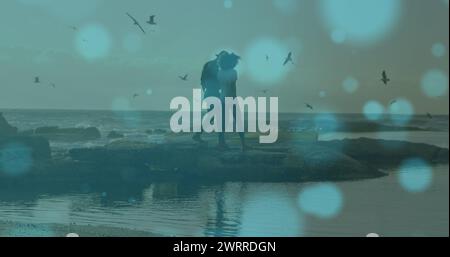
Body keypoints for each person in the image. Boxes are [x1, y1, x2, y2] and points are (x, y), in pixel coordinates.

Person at [193, 51, 229, 143]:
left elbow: (202, 79)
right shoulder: (219, 67)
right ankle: (221, 141)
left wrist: (205, 89)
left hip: (210, 92)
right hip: (213, 92)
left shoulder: (209, 64)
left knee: (212, 116)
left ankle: (197, 135)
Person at [217, 52, 248, 151]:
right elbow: (232, 87)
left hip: (222, 99)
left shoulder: (220, 72)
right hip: (231, 98)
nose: (236, 63)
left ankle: (221, 143)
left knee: (222, 122)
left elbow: (221, 86)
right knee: (238, 121)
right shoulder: (233, 72)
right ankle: (243, 144)